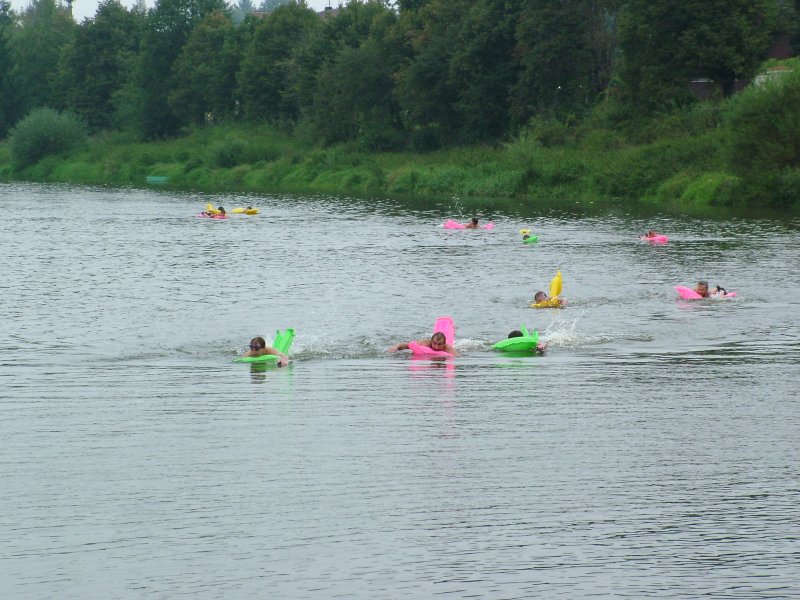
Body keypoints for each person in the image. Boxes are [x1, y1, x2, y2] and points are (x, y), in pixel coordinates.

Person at [389, 331, 460, 356]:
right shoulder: (425, 343)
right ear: (431, 341)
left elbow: (458, 357)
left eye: (439, 344)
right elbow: (407, 345)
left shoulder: (447, 348)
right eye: (434, 343)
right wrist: (396, 347)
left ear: (444, 344)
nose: (436, 347)